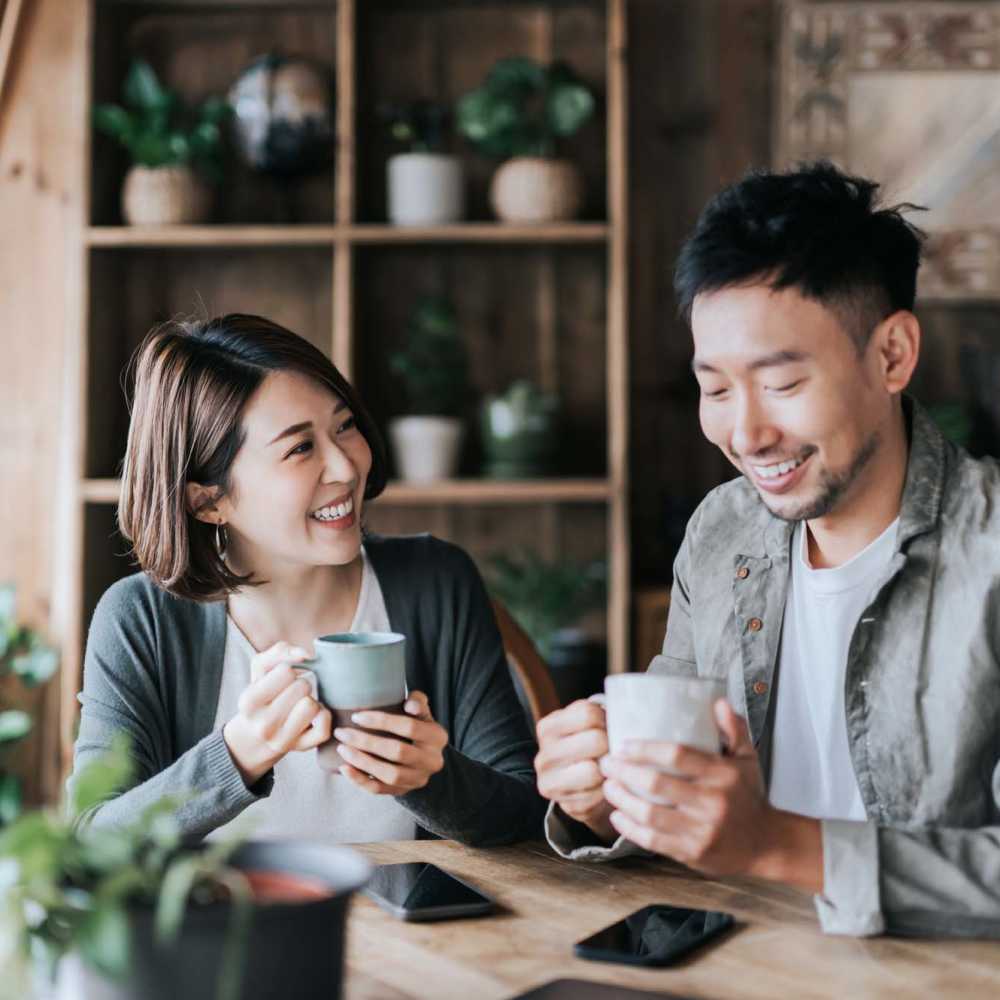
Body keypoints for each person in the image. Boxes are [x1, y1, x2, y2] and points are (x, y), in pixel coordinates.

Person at [535, 161, 1000, 937]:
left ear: (892, 354)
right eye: (715, 390)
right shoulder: (722, 533)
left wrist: (783, 847)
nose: (745, 435)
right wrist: (601, 799)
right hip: (741, 960)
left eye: (781, 384)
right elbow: (672, 793)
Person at [69, 313, 545, 846]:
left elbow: (529, 817)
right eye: (299, 448)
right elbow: (89, 844)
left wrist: (430, 779)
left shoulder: (437, 582)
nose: (345, 466)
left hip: (418, 932)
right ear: (208, 500)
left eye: (344, 426)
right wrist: (238, 754)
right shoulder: (140, 620)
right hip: (224, 931)